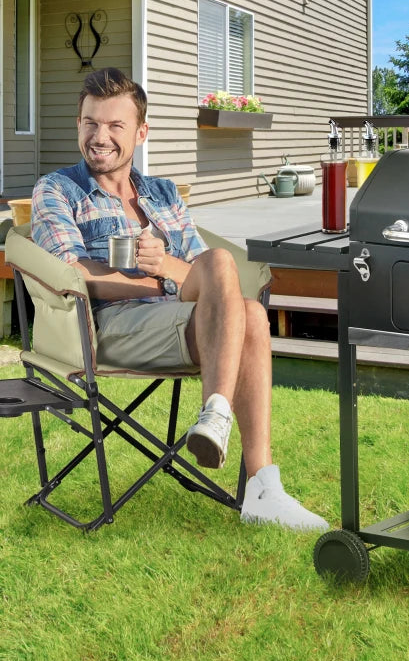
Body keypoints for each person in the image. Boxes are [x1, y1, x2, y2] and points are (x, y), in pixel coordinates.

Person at [31, 67, 328, 530]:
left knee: (227, 274)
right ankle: (260, 484)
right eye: (90, 122)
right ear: (78, 125)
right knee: (248, 315)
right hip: (105, 325)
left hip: (182, 318)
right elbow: (73, 273)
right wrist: (158, 284)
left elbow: (204, 277)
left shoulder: (163, 194)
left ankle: (219, 421)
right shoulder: (58, 189)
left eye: (115, 125)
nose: (99, 136)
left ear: (141, 132)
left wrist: (165, 266)